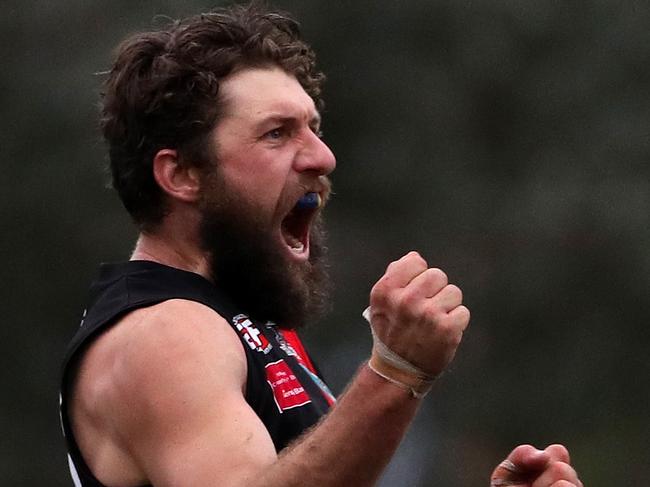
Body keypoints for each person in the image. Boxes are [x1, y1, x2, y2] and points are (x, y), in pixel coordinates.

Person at [60, 4, 584, 487]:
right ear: (182, 174)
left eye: (313, 127)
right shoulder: (164, 332)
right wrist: (395, 372)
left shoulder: (236, 320)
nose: (323, 156)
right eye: (276, 134)